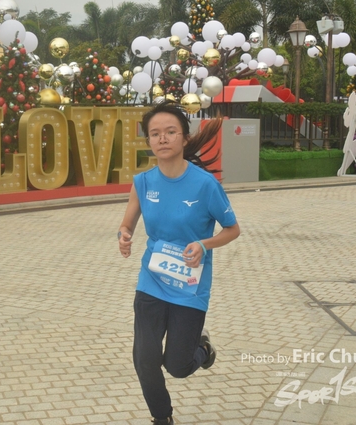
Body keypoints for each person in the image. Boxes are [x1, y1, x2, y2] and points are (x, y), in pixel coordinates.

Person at [118, 100, 241, 425]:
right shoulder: (143, 183)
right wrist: (124, 236)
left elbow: (232, 229)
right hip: (152, 281)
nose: (162, 138)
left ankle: (203, 350)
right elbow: (127, 224)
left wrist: (204, 244)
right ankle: (162, 418)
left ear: (184, 138)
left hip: (190, 287)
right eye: (155, 133)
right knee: (145, 359)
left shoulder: (205, 185)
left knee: (177, 366)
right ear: (148, 140)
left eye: (170, 132)